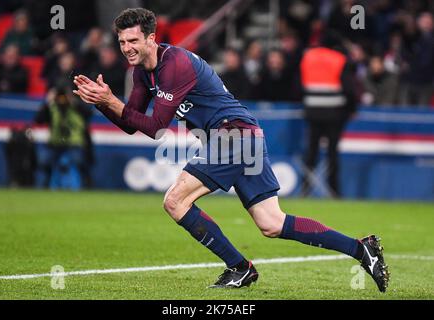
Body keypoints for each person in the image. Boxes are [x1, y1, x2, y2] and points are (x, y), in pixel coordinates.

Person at [73, 8, 389, 292]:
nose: (127, 48)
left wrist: (110, 100)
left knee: (175, 200)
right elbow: (132, 123)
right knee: (271, 223)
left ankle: (239, 267)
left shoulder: (175, 64)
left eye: (133, 41)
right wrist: (104, 104)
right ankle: (362, 249)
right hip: (240, 136)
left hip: (232, 135)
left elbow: (156, 127)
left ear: (151, 38)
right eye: (122, 42)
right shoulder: (142, 71)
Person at [300, 32, 357, 198]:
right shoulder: (339, 59)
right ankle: (334, 190)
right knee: (332, 152)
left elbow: (299, 84)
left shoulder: (308, 57)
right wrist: (352, 108)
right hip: (335, 112)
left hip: (312, 110)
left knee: (311, 151)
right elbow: (349, 88)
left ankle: (306, 187)